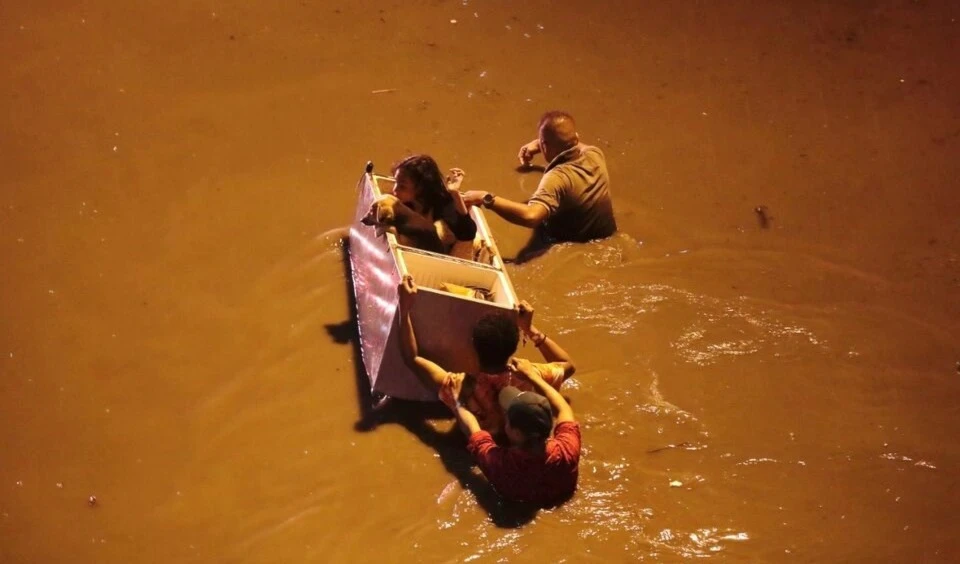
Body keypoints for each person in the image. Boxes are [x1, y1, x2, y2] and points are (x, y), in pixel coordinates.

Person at [396, 275, 575, 438]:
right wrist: (530, 329)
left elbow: (411, 358)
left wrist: (404, 311)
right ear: (513, 348)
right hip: (518, 443)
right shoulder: (530, 376)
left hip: (482, 447)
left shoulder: (460, 386)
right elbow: (567, 364)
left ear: (473, 349)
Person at [461, 111, 616, 243]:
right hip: (608, 236)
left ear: (545, 145)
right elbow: (575, 143)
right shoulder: (595, 154)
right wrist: (540, 143)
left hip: (573, 244)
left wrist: (485, 198)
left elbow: (531, 216)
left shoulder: (557, 178)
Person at [441, 363, 581, 506]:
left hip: (512, 507)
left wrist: (457, 401)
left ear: (516, 433)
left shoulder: (499, 462)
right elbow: (564, 407)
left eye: (507, 418)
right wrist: (532, 375)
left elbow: (471, 429)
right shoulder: (568, 448)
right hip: (561, 496)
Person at [390, 154, 477, 253]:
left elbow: (467, 233)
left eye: (402, 186)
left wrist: (455, 193)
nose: (394, 190)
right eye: (395, 182)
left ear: (420, 188)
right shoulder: (400, 202)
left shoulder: (442, 204)